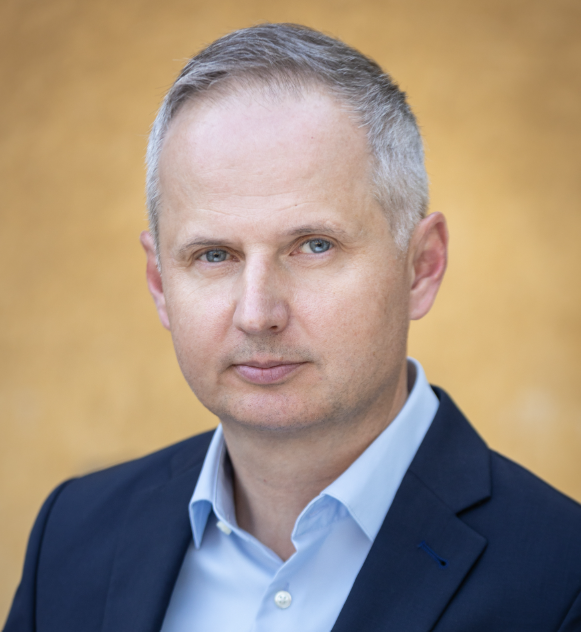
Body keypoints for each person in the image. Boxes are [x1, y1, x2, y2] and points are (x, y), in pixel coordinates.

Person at [4, 23, 581, 632]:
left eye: (314, 245)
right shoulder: (71, 535)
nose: (257, 314)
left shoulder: (563, 581)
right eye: (214, 255)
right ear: (159, 282)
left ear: (421, 266)